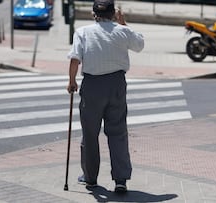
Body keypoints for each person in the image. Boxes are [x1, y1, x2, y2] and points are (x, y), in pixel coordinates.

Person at [66, 0, 144, 193]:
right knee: (117, 132)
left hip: (92, 85)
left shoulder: (83, 32)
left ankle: (90, 177)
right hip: (117, 84)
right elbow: (139, 45)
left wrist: (72, 81)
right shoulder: (122, 31)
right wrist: (123, 23)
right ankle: (120, 179)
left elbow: (75, 59)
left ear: (94, 14)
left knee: (90, 134)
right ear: (114, 14)